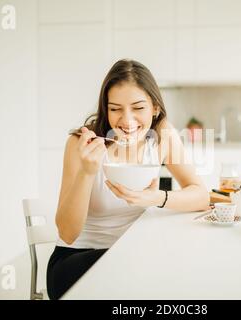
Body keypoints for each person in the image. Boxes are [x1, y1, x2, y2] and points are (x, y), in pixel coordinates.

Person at [46, 59, 209, 300]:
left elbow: (201, 195)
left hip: (133, 254)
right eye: (115, 109)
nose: (127, 120)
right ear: (106, 108)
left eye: (138, 107)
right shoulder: (81, 144)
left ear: (154, 107)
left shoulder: (163, 135)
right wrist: (87, 171)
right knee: (150, 270)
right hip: (75, 262)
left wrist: (158, 198)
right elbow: (68, 233)